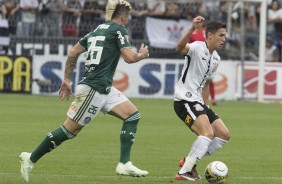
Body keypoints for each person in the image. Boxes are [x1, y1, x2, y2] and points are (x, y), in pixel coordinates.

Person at [19, 0, 149, 182]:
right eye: (127, 16)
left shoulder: (97, 30)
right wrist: (141, 56)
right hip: (93, 89)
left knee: (132, 115)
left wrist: (66, 79)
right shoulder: (119, 29)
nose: (127, 19)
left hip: (103, 87)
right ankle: (30, 158)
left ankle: (124, 163)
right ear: (124, 16)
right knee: (69, 131)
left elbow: (73, 52)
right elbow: (128, 57)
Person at [173, 16, 231, 181]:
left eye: (224, 36)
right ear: (210, 35)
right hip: (184, 100)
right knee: (207, 133)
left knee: (223, 134)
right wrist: (192, 29)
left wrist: (205, 107)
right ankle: (184, 171)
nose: (223, 39)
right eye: (220, 35)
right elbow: (179, 48)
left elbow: (206, 85)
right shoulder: (197, 48)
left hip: (198, 102)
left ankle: (188, 161)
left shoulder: (216, 59)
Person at [187, 22, 218, 106]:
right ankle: (190, 98)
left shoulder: (206, 32)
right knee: (195, 80)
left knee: (208, 80)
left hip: (207, 57)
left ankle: (212, 100)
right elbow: (188, 46)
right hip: (196, 59)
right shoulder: (192, 33)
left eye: (201, 23)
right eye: (198, 23)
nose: (199, 24)